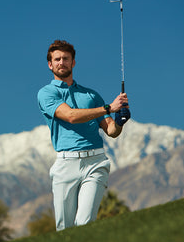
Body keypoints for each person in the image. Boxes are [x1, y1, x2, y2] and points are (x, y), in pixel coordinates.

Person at [37, 39, 131, 231]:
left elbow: (111, 131)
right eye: (57, 59)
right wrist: (107, 108)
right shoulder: (46, 93)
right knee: (64, 228)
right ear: (50, 64)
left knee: (85, 224)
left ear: (73, 62)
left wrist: (120, 121)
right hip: (65, 164)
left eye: (66, 58)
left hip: (95, 162)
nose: (61, 62)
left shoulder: (91, 96)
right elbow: (70, 116)